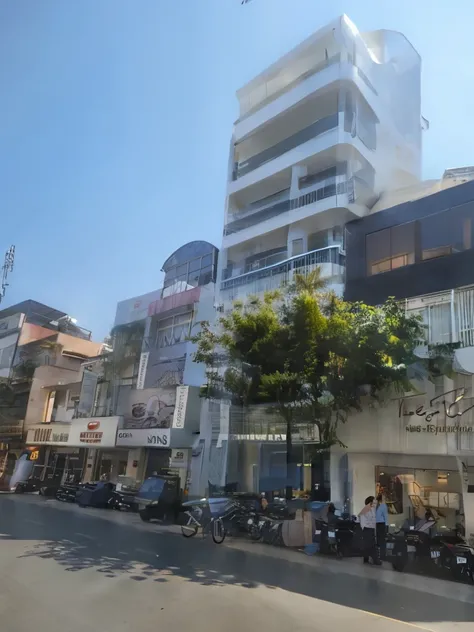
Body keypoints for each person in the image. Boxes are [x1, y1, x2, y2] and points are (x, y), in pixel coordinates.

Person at [359, 495, 381, 565]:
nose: (375, 503)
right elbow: (362, 519)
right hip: (367, 529)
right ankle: (376, 560)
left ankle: (366, 558)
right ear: (370, 502)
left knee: (367, 545)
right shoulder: (366, 509)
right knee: (372, 546)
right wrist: (364, 528)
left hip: (370, 529)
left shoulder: (371, 509)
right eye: (374, 501)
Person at [375, 493, 388, 560]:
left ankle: (382, 555)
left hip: (380, 524)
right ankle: (380, 555)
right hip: (379, 524)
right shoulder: (380, 506)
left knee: (381, 540)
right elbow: (385, 516)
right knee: (380, 540)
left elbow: (385, 516)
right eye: (384, 498)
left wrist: (386, 525)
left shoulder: (381, 506)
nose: (385, 499)